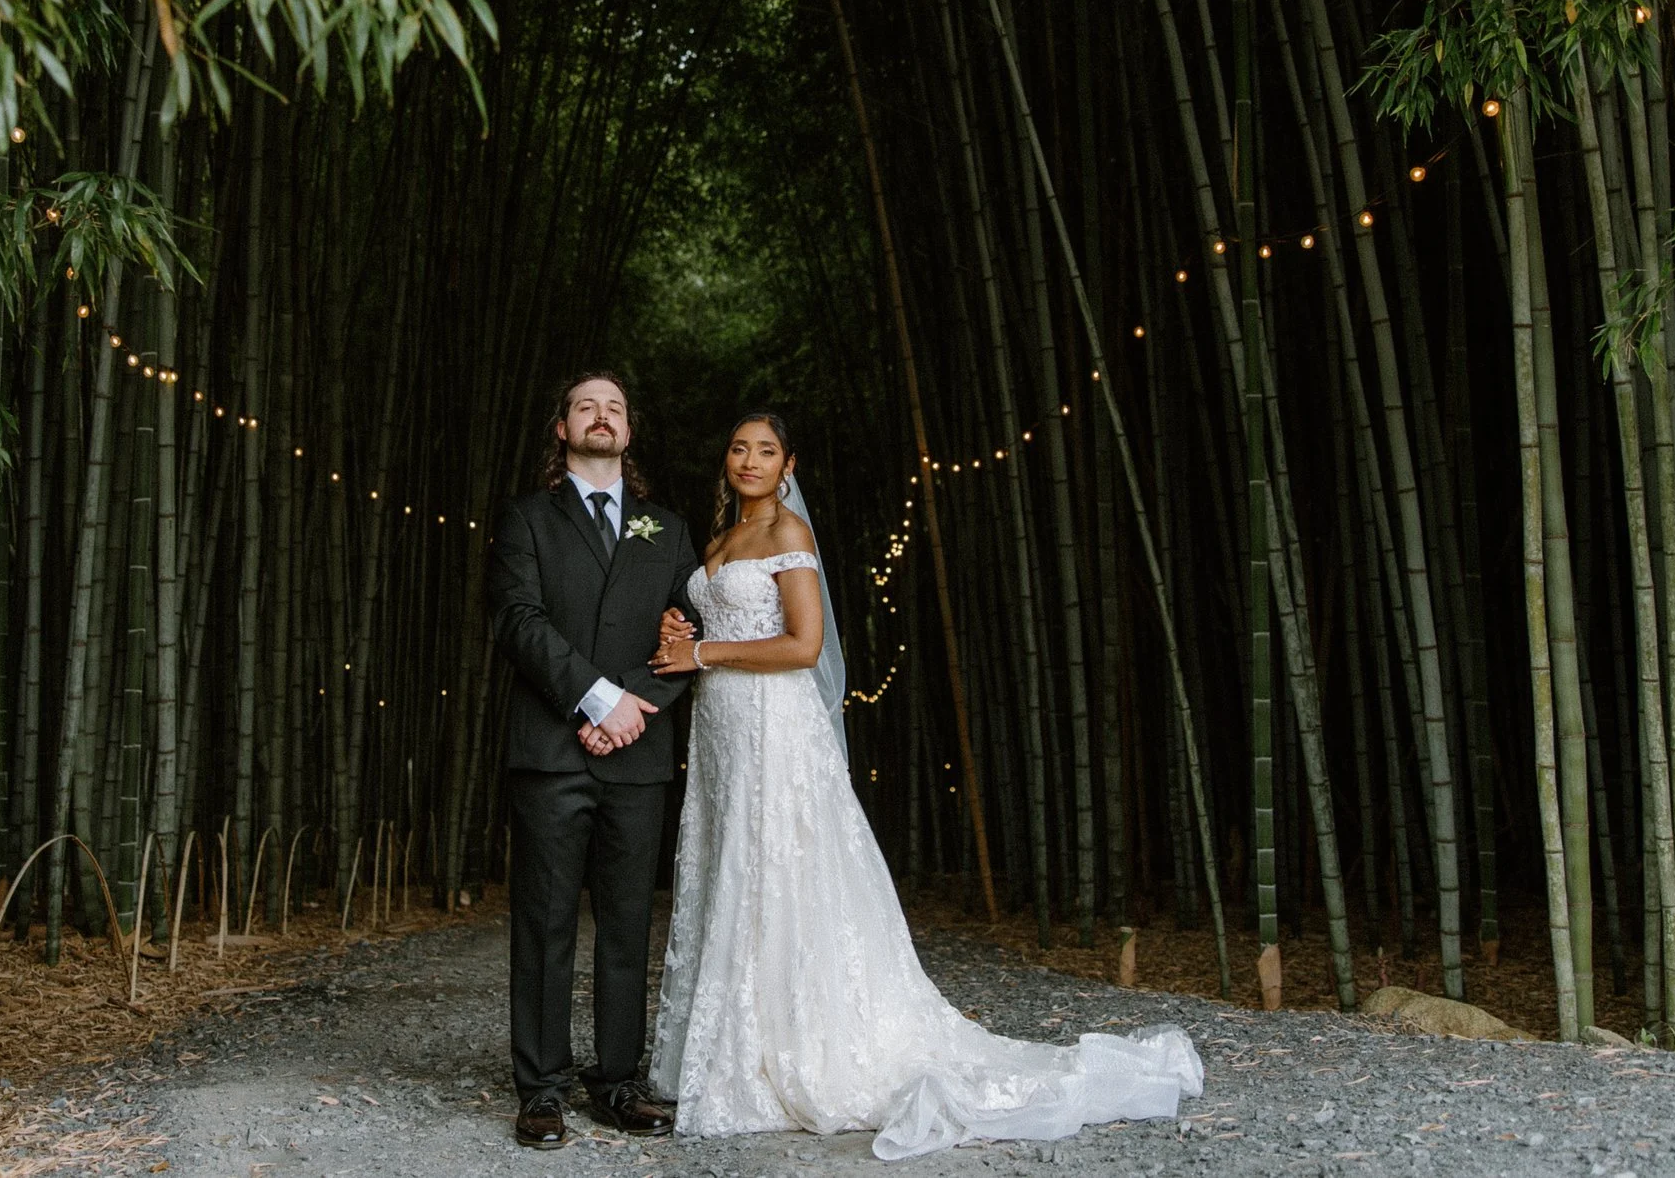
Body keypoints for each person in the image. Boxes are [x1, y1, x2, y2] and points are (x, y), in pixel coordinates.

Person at [646, 413, 1203, 1161]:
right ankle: (739, 1047)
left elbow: (804, 643)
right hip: (722, 733)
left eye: (766, 450)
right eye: (739, 447)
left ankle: (790, 1052)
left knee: (778, 870)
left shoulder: (788, 536)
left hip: (776, 729)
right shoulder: (715, 543)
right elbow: (708, 626)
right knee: (734, 872)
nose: (750, 459)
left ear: (789, 465)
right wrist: (682, 629)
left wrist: (705, 649)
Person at [486, 372, 701, 1149]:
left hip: (637, 751)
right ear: (562, 428)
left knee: (625, 922)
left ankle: (617, 1079)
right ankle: (540, 1087)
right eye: (586, 405)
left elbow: (691, 633)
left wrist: (631, 706)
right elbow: (518, 617)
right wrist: (594, 696)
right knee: (543, 920)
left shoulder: (669, 529)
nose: (601, 416)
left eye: (614, 408)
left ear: (629, 432)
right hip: (551, 749)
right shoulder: (526, 518)